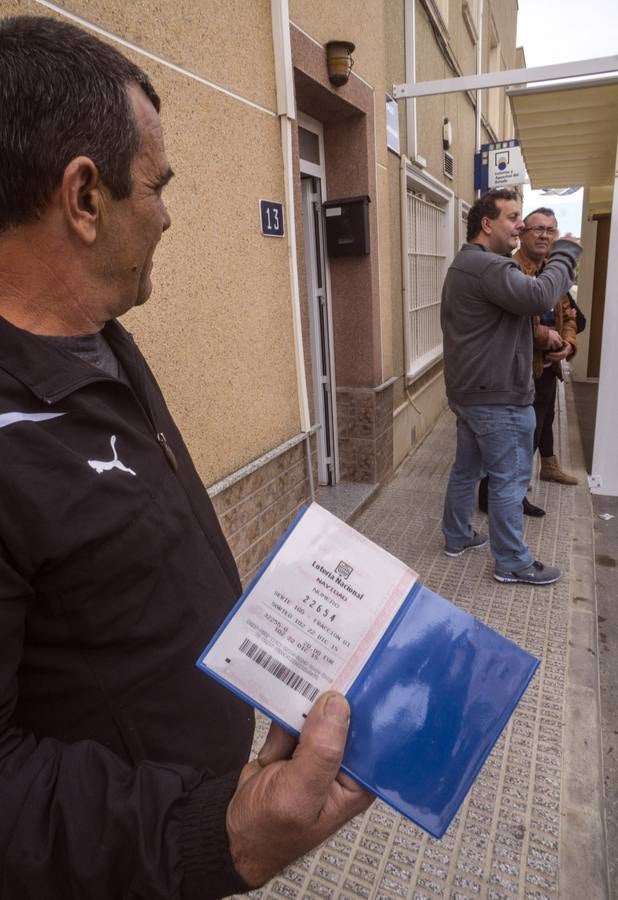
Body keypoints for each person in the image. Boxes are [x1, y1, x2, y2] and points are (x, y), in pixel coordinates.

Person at [0, 15, 371, 900]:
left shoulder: (103, 342)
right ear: (84, 198)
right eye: (155, 185)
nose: (168, 214)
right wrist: (220, 838)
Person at [441, 189, 581, 585]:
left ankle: (457, 535)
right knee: (510, 479)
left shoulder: (463, 266)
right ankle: (512, 562)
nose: (521, 225)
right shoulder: (489, 267)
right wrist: (566, 251)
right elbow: (539, 294)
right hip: (497, 397)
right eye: (513, 217)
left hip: (471, 393)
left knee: (466, 470)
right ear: (487, 224)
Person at [477, 207, 579, 518]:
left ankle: (513, 496)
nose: (545, 235)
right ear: (522, 233)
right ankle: (491, 499)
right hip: (516, 373)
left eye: (550, 230)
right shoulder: (508, 269)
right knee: (509, 445)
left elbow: (570, 314)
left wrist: (568, 343)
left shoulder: (553, 269)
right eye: (537, 229)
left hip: (547, 371)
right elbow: (507, 319)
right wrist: (540, 335)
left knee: (530, 440)